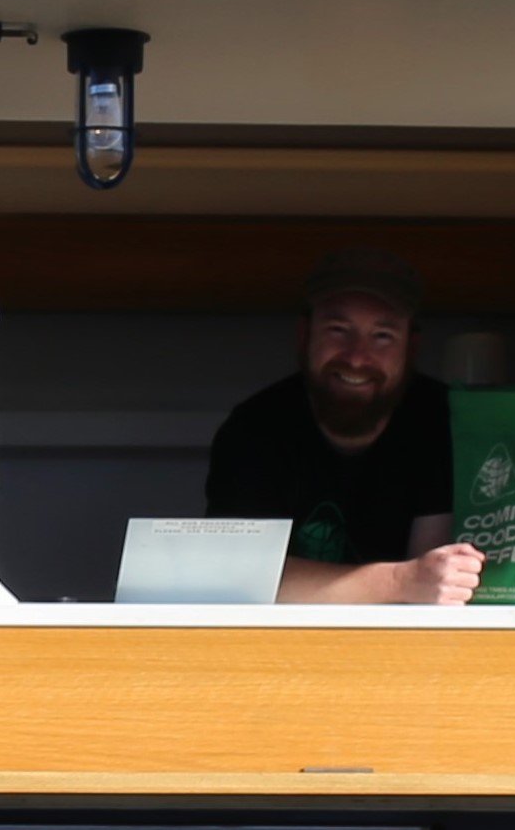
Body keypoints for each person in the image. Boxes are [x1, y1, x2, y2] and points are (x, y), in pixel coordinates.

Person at [202, 249, 481, 605]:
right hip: (279, 641)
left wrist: (415, 582)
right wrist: (399, 580)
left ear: (411, 347)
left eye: (382, 335)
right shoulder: (255, 427)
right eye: (338, 330)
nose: (356, 357)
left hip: (402, 646)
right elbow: (231, 575)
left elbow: (436, 587)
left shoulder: (446, 421)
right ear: (305, 335)